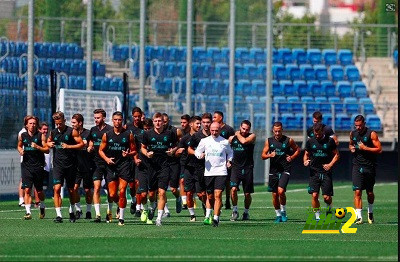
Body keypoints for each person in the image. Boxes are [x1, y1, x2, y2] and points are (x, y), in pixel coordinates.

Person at [99, 111, 137, 226]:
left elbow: (134, 150)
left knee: (122, 191)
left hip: (124, 165)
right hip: (111, 166)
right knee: (111, 194)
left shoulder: (128, 134)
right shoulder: (107, 135)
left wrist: (128, 154)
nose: (117, 122)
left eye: (119, 120)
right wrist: (107, 159)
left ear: (122, 120)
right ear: (112, 120)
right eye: (115, 119)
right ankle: (116, 207)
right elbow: (100, 150)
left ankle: (121, 218)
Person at [141, 112, 178, 226]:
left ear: (163, 122)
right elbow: (142, 147)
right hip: (151, 166)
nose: (158, 123)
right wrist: (147, 154)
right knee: (151, 194)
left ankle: (159, 219)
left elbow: (176, 145)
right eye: (156, 121)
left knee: (162, 192)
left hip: (164, 166)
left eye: (160, 121)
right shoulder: (147, 134)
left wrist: (172, 151)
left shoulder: (170, 133)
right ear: (153, 122)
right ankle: (152, 207)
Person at [47, 111, 84, 223]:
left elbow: (81, 144)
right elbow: (48, 142)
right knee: (57, 188)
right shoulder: (53, 132)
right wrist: (49, 144)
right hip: (58, 165)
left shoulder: (72, 131)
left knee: (71, 190)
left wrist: (69, 146)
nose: (58, 125)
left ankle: (72, 211)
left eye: (60, 123)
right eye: (56, 124)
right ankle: (59, 215)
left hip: (71, 165)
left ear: (64, 121)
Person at [261, 122, 301, 223]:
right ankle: (278, 214)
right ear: (273, 131)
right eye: (276, 131)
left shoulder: (288, 140)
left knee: (281, 191)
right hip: (273, 171)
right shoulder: (269, 141)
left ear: (282, 130)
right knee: (274, 195)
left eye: (279, 131)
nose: (277, 133)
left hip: (285, 169)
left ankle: (283, 211)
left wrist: (291, 157)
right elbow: (263, 155)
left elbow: (297, 150)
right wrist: (270, 155)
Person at [195, 121, 233, 227]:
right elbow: (197, 151)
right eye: (212, 130)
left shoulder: (224, 142)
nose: (214, 132)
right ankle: (209, 213)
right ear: (210, 130)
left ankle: (216, 218)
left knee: (218, 194)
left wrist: (229, 161)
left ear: (220, 130)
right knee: (210, 196)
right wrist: (200, 155)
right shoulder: (204, 141)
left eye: (216, 130)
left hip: (221, 171)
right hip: (209, 172)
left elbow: (230, 152)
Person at [349, 115, 382, 224]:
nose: (358, 127)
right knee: (357, 191)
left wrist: (366, 148)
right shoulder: (353, 133)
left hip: (369, 166)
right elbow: (351, 144)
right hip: (357, 166)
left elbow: (379, 149)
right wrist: (351, 148)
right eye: (356, 125)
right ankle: (359, 217)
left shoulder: (371, 133)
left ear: (364, 123)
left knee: (370, 192)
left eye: (359, 125)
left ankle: (370, 212)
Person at [303, 122, 339, 221]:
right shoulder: (310, 141)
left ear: (322, 131)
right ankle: (318, 216)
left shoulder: (330, 141)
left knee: (326, 197)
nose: (317, 136)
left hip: (326, 172)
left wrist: (330, 164)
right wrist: (305, 161)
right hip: (314, 172)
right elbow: (306, 153)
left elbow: (337, 155)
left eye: (318, 134)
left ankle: (329, 208)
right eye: (315, 134)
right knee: (314, 195)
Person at [17, 115, 49, 220]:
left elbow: (47, 149)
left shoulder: (41, 136)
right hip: (26, 165)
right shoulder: (23, 135)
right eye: (30, 123)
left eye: (34, 123)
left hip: (38, 165)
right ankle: (28, 212)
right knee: (27, 189)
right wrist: (21, 151)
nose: (32, 125)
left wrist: (38, 147)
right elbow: (19, 145)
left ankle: (42, 205)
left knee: (39, 191)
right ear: (26, 124)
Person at [87, 109, 113, 223]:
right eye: (95, 118)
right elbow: (91, 141)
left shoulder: (110, 130)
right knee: (96, 187)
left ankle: (109, 211)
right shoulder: (93, 130)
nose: (96, 120)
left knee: (110, 190)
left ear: (104, 118)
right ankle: (97, 214)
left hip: (108, 163)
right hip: (96, 163)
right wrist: (90, 147)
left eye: (98, 118)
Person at [228, 120, 256, 221]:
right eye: (243, 128)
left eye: (247, 129)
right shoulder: (232, 139)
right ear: (240, 127)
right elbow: (228, 150)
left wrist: (237, 134)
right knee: (233, 189)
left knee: (247, 193)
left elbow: (244, 141)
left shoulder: (252, 136)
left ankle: (246, 212)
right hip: (236, 168)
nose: (244, 131)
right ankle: (235, 210)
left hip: (248, 168)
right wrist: (228, 160)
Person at [175, 115, 202, 221]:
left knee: (201, 194)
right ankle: (192, 215)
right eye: (197, 123)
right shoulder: (185, 138)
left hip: (200, 167)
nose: (199, 125)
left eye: (200, 123)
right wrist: (177, 152)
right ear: (191, 124)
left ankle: (206, 206)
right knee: (189, 192)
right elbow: (177, 152)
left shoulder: (203, 137)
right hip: (188, 168)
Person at [187, 113, 212, 219]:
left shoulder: (215, 134)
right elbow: (189, 149)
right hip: (200, 167)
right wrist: (197, 153)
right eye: (204, 122)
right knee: (201, 194)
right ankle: (205, 204)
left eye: (208, 122)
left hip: (213, 167)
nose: (206, 125)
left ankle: (209, 213)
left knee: (212, 192)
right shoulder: (196, 136)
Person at [71, 114, 95, 219]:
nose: (72, 124)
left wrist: (90, 147)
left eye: (74, 122)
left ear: (80, 123)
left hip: (87, 165)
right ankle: (78, 209)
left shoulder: (88, 133)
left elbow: (91, 143)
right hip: (75, 166)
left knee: (87, 190)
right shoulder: (71, 133)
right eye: (72, 122)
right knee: (74, 188)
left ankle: (89, 211)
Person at [213, 111, 235, 209]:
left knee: (227, 181)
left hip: (226, 158)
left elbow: (232, 144)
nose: (213, 119)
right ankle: (218, 200)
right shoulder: (213, 128)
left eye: (215, 117)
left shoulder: (229, 129)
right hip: (215, 158)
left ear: (220, 118)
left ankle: (227, 200)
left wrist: (230, 159)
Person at [162, 113, 182, 216]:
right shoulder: (157, 131)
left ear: (168, 121)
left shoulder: (176, 131)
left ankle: (178, 198)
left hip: (174, 162)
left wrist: (174, 150)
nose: (163, 124)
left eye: (165, 121)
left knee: (173, 189)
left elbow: (181, 144)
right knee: (162, 188)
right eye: (161, 121)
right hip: (162, 163)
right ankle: (166, 210)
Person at [125, 107, 144, 216]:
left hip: (140, 159)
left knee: (138, 182)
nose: (137, 118)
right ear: (132, 116)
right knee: (131, 185)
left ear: (141, 116)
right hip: (129, 159)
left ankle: (138, 208)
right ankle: (133, 201)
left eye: (139, 116)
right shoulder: (128, 127)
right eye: (135, 116)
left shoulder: (144, 127)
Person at [135, 118, 154, 224]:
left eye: (148, 128)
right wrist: (136, 159)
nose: (147, 130)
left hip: (154, 167)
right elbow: (134, 149)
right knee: (143, 194)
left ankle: (151, 208)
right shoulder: (139, 137)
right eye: (145, 128)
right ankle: (145, 210)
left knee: (151, 194)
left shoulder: (155, 137)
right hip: (142, 167)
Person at [179, 114, 191, 209]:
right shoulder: (180, 133)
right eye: (181, 122)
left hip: (194, 161)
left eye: (184, 122)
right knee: (182, 181)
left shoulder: (193, 134)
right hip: (183, 161)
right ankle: (184, 202)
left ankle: (190, 198)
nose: (182, 124)